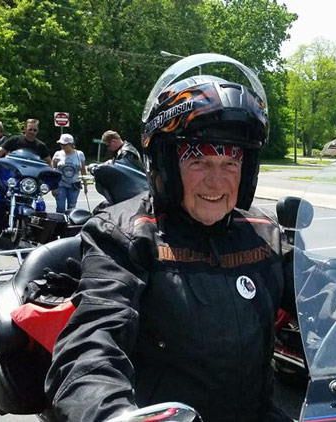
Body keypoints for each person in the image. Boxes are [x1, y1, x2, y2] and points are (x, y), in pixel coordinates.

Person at [45, 55, 294, 422]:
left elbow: (322, 293)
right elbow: (92, 340)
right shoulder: (125, 234)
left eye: (230, 163)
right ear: (164, 166)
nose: (216, 181)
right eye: (198, 162)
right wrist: (109, 412)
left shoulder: (262, 232)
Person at [0, 118, 51, 208]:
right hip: (12, 175)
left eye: (35, 130)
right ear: (25, 128)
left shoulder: (40, 146)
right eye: (30, 129)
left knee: (39, 199)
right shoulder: (15, 140)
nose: (32, 132)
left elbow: (49, 162)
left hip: (29, 179)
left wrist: (50, 174)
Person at [51, 133, 87, 213]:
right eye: (61, 144)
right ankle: (60, 224)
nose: (62, 146)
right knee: (60, 207)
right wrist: (53, 187)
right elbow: (53, 171)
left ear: (71, 144)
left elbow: (83, 170)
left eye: (64, 144)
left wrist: (85, 185)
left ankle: (69, 224)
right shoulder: (57, 154)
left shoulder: (79, 154)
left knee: (71, 207)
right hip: (60, 185)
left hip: (74, 185)